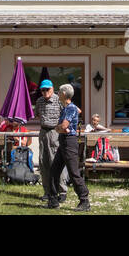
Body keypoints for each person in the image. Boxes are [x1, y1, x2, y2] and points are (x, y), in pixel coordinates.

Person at [48, 84, 91, 212]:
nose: (58, 93)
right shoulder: (68, 107)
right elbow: (61, 127)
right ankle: (53, 200)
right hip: (64, 141)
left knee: (73, 172)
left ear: (65, 94)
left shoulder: (70, 108)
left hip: (69, 142)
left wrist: (60, 128)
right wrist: (60, 128)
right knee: (54, 171)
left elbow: (63, 126)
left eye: (59, 92)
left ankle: (84, 200)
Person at [35, 79, 66, 206]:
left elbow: (65, 115)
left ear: (52, 89)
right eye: (42, 90)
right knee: (43, 162)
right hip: (43, 132)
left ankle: (62, 191)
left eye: (47, 89)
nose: (45, 92)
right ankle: (47, 191)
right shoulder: (39, 101)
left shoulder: (59, 100)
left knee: (57, 162)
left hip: (55, 132)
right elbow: (38, 115)